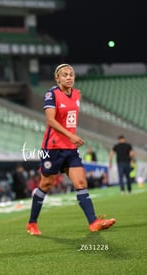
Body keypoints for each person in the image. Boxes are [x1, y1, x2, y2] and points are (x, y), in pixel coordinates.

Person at [26, 64, 116, 236]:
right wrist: (72, 135)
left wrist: (71, 138)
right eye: (65, 75)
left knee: (81, 183)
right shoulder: (51, 94)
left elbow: (70, 118)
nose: (69, 77)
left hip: (70, 148)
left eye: (71, 74)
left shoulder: (76, 94)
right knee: (45, 185)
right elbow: (51, 121)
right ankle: (32, 223)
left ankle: (93, 222)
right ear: (57, 78)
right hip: (52, 148)